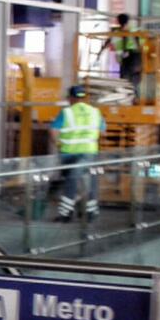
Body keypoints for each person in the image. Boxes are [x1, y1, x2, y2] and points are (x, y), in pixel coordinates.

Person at [50, 84, 105, 222]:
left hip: (69, 154)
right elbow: (102, 131)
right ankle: (90, 213)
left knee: (70, 182)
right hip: (89, 153)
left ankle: (66, 214)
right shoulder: (95, 112)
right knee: (90, 182)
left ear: (70, 98)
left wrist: (58, 143)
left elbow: (53, 130)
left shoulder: (66, 112)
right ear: (84, 97)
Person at [102, 14, 144, 101]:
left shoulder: (129, 31)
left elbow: (108, 41)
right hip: (129, 59)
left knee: (128, 81)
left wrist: (100, 52)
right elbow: (108, 41)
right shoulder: (121, 31)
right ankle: (131, 98)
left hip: (132, 57)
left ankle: (133, 98)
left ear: (118, 21)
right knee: (128, 81)